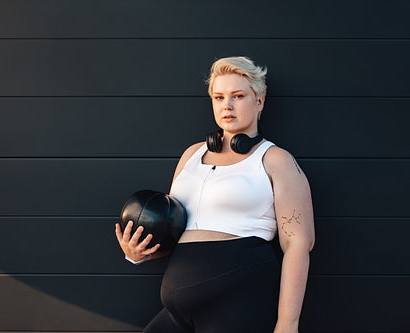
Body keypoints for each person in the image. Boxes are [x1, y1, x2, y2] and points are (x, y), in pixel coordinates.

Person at [115, 56, 315, 333]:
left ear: (259, 101)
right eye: (219, 97)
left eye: (238, 96)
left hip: (237, 304)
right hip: (178, 309)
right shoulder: (191, 155)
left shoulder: (275, 160)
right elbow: (176, 231)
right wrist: (139, 253)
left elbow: (298, 246)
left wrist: (287, 324)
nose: (227, 106)